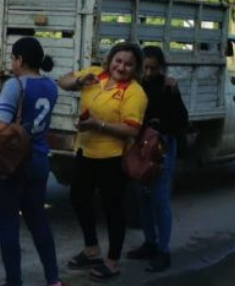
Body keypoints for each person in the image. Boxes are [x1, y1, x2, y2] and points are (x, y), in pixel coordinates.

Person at [57, 42, 148, 282]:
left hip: (112, 158)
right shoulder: (96, 74)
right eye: (118, 61)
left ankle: (112, 261)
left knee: (112, 209)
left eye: (129, 64)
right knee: (78, 198)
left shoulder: (134, 92)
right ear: (110, 60)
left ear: (136, 68)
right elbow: (62, 82)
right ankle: (91, 250)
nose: (122, 67)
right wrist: (78, 82)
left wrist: (99, 125)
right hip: (85, 151)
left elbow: (132, 129)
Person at [0, 37, 62, 286]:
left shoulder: (15, 85)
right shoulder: (50, 85)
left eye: (13, 58)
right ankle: (53, 279)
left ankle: (14, 281)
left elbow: (0, 125)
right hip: (38, 160)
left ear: (20, 60)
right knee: (38, 220)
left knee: (8, 224)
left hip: (12, 162)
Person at [126, 46, 189, 273]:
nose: (149, 72)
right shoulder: (136, 85)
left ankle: (164, 251)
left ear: (161, 68)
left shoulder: (167, 87)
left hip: (161, 148)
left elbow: (181, 120)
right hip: (139, 148)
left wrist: (159, 125)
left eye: (154, 68)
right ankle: (150, 243)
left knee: (159, 199)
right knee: (142, 197)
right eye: (146, 67)